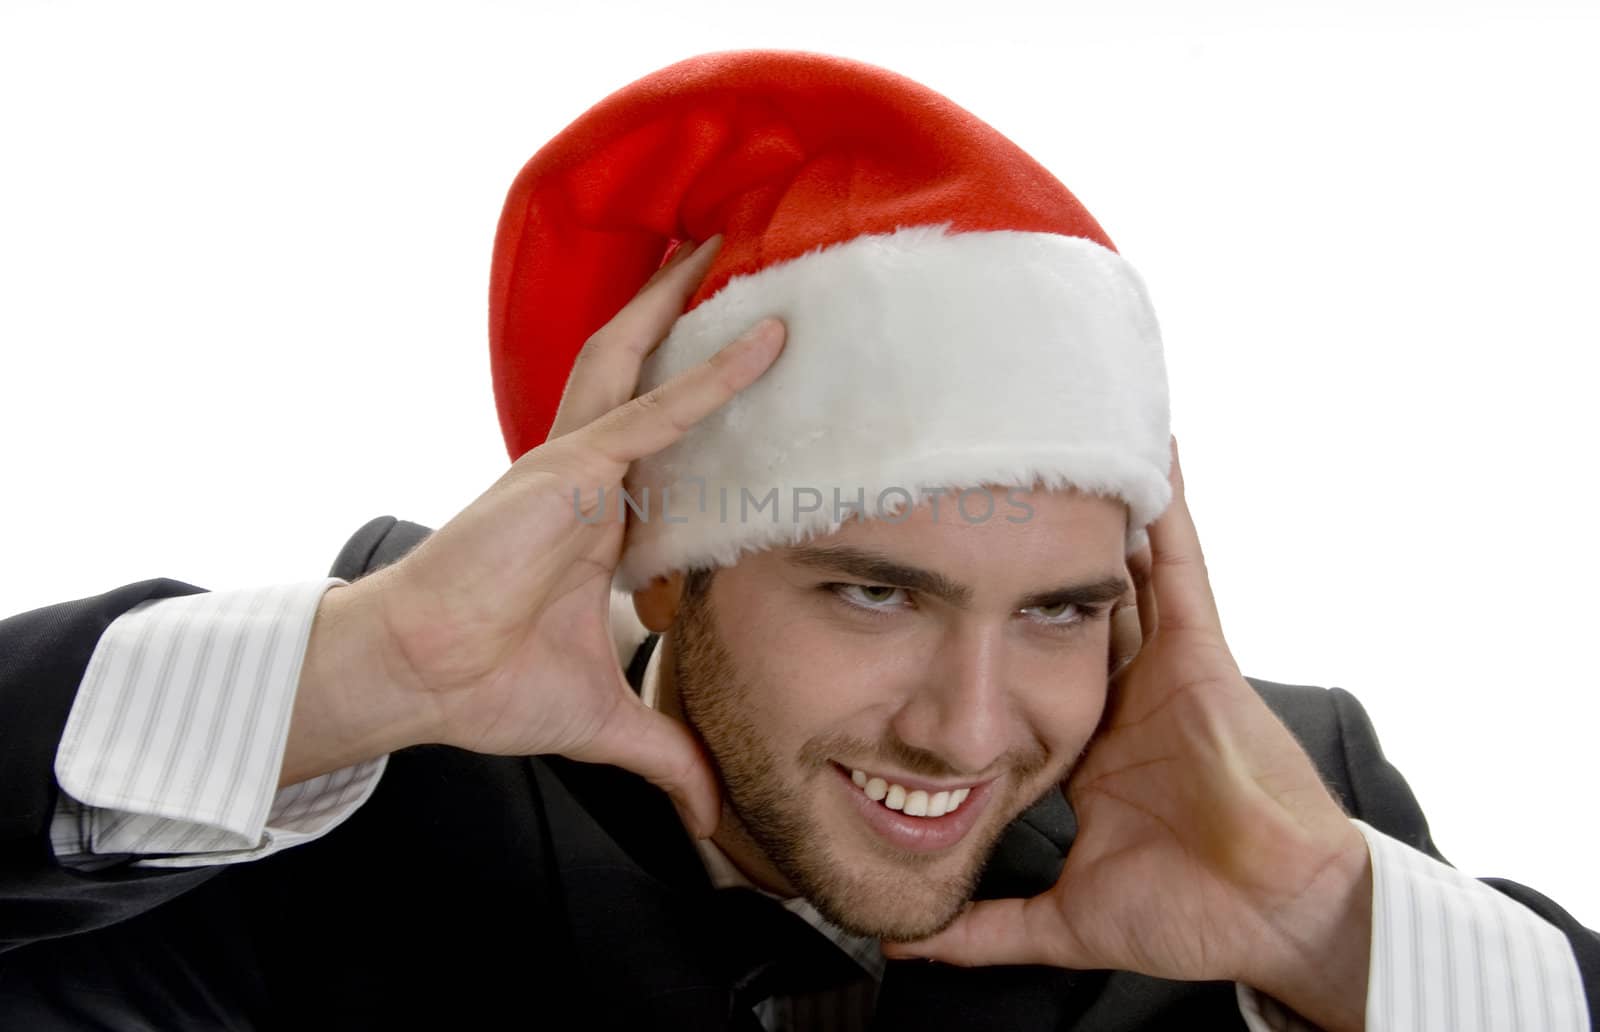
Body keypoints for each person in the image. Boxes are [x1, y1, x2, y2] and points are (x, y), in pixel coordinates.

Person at [1, 50, 1594, 1031]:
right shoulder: (357, 778)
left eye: (1056, 611)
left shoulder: (1285, 803)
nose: (971, 729)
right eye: (871, 590)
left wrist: (1330, 935)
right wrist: (364, 670)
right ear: (671, 558)